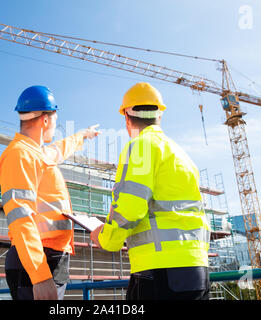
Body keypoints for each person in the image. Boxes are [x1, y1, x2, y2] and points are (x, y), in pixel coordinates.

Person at [91, 82, 211, 300]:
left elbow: (130, 208)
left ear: (127, 118)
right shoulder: (180, 153)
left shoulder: (141, 146)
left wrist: (106, 238)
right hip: (197, 270)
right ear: (159, 115)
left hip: (160, 271)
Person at [0, 85, 100, 300]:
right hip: (38, 261)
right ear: (45, 120)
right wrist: (40, 276)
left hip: (51, 257)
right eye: (55, 120)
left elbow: (62, 147)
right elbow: (20, 218)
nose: (55, 126)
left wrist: (83, 135)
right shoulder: (20, 155)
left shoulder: (38, 153)